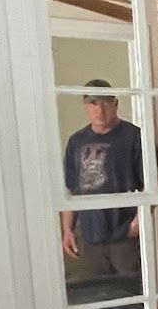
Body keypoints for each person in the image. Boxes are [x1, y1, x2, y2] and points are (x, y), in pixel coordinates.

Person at [60, 80, 148, 283]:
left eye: (105, 103)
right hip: (90, 235)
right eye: (93, 103)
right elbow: (71, 190)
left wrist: (138, 222)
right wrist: (67, 230)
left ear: (115, 104)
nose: (99, 110)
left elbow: (153, 184)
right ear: (85, 107)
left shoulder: (134, 137)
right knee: (96, 293)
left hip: (124, 236)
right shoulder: (76, 141)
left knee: (131, 292)